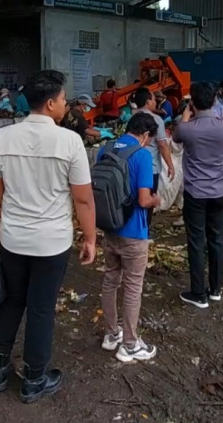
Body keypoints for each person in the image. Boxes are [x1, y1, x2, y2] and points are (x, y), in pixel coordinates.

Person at [0, 70, 96, 404]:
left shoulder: (3, 138)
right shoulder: (70, 142)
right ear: (50, 103)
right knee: (41, 308)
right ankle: (34, 379)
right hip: (52, 243)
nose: (65, 104)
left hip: (13, 239)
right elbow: (84, 199)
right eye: (62, 99)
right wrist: (90, 238)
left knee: (12, 299)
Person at [98, 113, 161, 363]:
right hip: (134, 232)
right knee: (133, 287)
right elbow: (144, 200)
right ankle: (130, 345)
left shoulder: (107, 148)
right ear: (145, 135)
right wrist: (157, 199)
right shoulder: (142, 154)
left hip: (109, 226)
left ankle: (111, 334)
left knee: (110, 279)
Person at [172, 82, 223, 309]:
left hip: (195, 193)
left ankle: (198, 293)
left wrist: (187, 114)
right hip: (219, 192)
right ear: (215, 101)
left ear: (192, 103)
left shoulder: (186, 128)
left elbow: (177, 138)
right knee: (216, 238)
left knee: (196, 242)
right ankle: (216, 289)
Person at [131, 88, 175, 191]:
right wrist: (170, 166)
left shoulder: (132, 117)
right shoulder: (156, 119)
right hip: (150, 168)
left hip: (133, 166)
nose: (155, 102)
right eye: (154, 99)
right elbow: (162, 145)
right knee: (147, 200)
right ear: (148, 102)